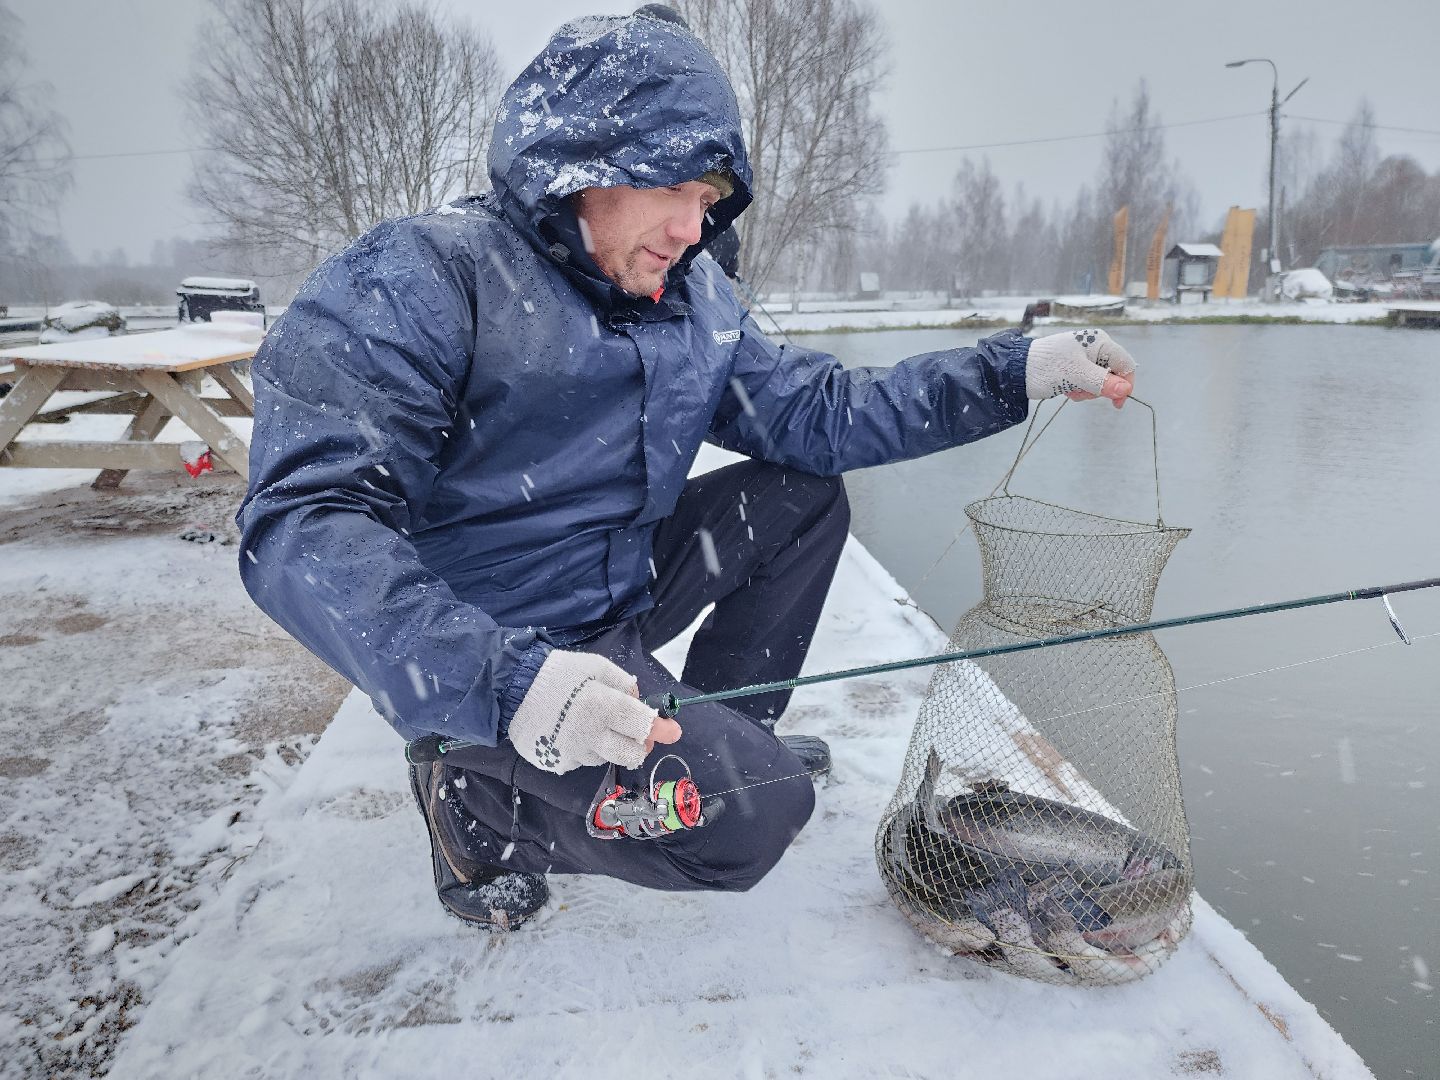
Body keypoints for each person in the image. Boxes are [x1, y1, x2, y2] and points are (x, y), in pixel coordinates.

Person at [237, 9, 1135, 931]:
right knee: (752, 818)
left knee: (801, 496)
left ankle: (714, 732)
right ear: (577, 162)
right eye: (673, 184)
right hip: (497, 643)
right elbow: (301, 525)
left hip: (617, 591)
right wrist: (504, 686)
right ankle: (471, 799)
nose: (690, 225)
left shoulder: (691, 297)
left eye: (708, 198)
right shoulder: (420, 277)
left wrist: (1009, 373)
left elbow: (819, 417)